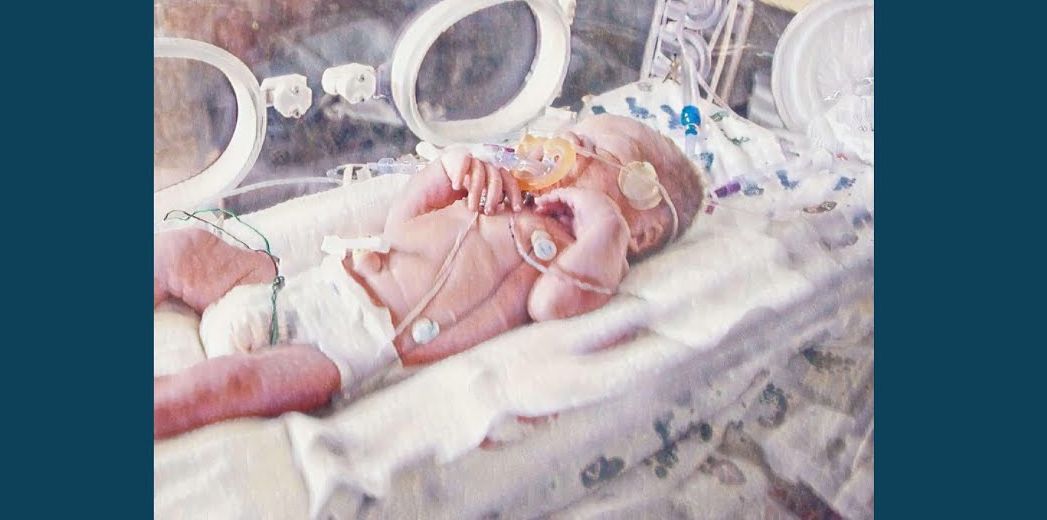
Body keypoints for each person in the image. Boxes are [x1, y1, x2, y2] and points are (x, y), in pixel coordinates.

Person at [154, 114, 705, 439]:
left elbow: (554, 306)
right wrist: (448, 174)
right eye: (571, 136)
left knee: (233, 385)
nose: (570, 149)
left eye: (597, 151)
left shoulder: (576, 253)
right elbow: (402, 225)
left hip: (342, 349)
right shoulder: (504, 195)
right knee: (183, 249)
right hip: (301, 286)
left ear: (643, 231)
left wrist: (604, 227)